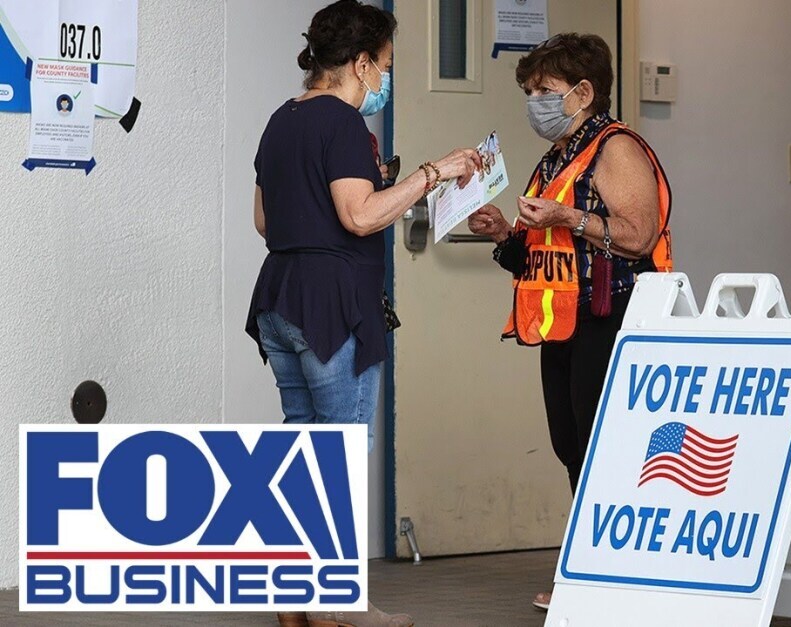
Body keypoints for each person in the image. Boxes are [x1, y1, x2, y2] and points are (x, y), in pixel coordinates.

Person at [246, 2, 480, 626]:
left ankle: (292, 601)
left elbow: (264, 220)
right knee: (338, 457)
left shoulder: (281, 119)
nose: (385, 77)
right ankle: (337, 605)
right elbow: (358, 215)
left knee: (301, 451)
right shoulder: (343, 123)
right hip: (332, 306)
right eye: (386, 64)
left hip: (280, 298)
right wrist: (434, 172)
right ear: (360, 62)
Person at [467, 32, 673, 611]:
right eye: (530, 92)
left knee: (606, 447)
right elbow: (538, 253)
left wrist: (567, 215)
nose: (534, 102)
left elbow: (638, 236)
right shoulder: (557, 156)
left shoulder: (615, 148)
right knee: (572, 444)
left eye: (545, 90)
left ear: (583, 92)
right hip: (562, 324)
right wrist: (503, 234)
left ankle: (603, 575)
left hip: (612, 317)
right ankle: (591, 568)